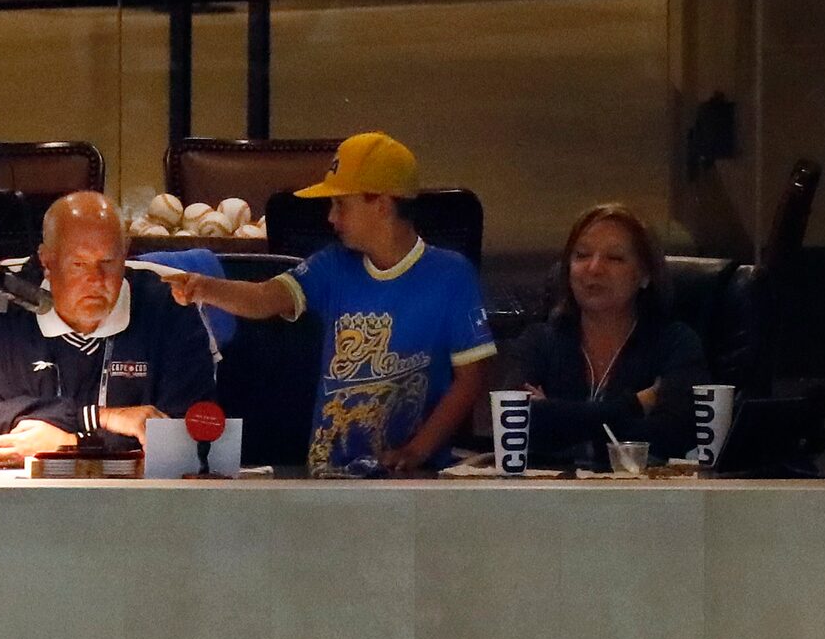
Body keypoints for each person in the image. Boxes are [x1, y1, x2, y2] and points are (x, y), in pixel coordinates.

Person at [167, 132, 496, 472]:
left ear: (382, 205)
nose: (330, 218)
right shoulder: (333, 265)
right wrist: (203, 287)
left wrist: (415, 452)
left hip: (412, 483)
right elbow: (266, 297)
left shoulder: (452, 276)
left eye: (341, 204)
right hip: (328, 477)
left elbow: (471, 380)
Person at [0, 190, 217, 466]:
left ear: (125, 254)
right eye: (79, 264)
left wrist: (69, 444)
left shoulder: (171, 309)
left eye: (108, 262)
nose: (96, 279)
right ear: (46, 261)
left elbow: (191, 437)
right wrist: (103, 418)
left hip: (137, 504)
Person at [502, 202, 709, 467]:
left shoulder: (675, 344)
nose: (594, 268)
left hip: (645, 501)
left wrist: (558, 417)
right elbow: (518, 426)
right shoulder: (539, 341)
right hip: (548, 501)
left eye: (615, 258)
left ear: (644, 275)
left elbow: (671, 436)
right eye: (582, 255)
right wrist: (634, 405)